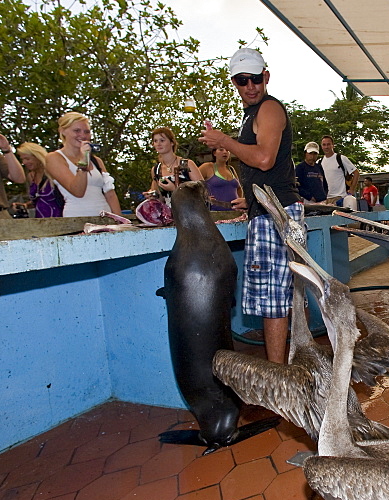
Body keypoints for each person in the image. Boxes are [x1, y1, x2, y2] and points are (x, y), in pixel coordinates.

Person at [199, 47, 303, 364]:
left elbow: (264, 158)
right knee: (272, 299)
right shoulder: (252, 115)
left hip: (278, 214)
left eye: (255, 78)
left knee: (273, 301)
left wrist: (225, 142)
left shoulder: (269, 110)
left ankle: (278, 379)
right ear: (234, 82)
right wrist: (252, 196)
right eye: (242, 80)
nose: (250, 86)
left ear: (266, 77)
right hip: (267, 210)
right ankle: (282, 374)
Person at [45, 112, 121, 217]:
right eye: (77, 131)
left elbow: (110, 194)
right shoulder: (54, 158)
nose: (83, 135)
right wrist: (83, 159)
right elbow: (78, 191)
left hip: (105, 218)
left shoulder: (96, 161)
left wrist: (119, 220)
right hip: (77, 218)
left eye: (86, 132)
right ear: (63, 131)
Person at [147, 126, 203, 204]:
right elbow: (159, 197)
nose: (158, 144)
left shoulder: (186, 164)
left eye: (162, 140)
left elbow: (203, 191)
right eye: (155, 141)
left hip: (190, 212)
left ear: (172, 142)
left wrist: (175, 189)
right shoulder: (156, 170)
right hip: (167, 213)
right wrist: (152, 195)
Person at [16, 142, 62, 218]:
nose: (24, 162)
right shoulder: (31, 176)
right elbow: (38, 200)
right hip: (40, 221)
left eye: (27, 159)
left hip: (59, 217)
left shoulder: (53, 172)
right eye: (22, 159)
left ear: (37, 157)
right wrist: (26, 205)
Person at [319, 135, 359, 210]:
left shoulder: (341, 158)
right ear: (321, 146)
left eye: (328, 144)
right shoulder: (319, 162)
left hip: (340, 197)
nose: (326, 147)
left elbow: (356, 173)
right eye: (324, 145)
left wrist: (352, 189)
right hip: (325, 199)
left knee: (351, 203)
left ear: (332, 145)